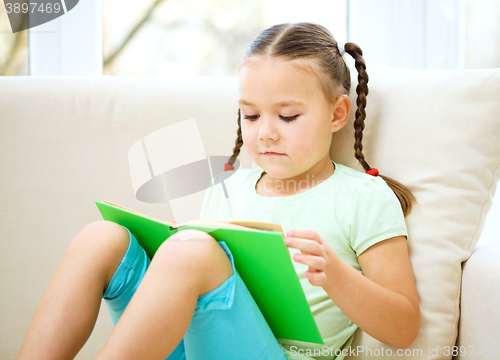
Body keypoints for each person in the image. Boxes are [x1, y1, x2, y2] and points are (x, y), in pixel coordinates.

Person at [17, 23, 420, 360]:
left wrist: (336, 277)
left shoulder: (363, 197)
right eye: (251, 114)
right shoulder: (228, 189)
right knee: (101, 238)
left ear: (337, 114)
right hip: (194, 344)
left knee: (192, 250)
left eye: (288, 116)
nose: (265, 131)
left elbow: (403, 329)